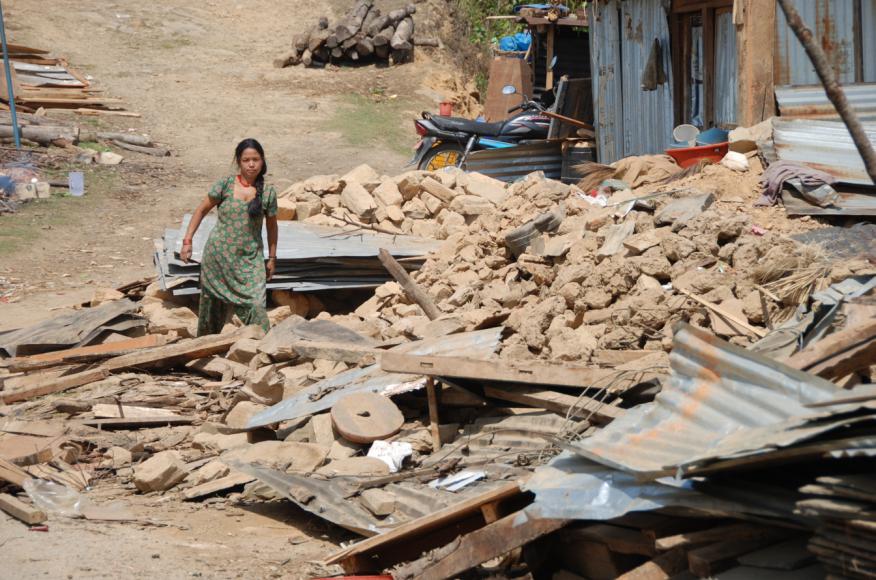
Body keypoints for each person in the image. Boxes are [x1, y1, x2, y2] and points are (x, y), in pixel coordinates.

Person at [180, 138, 278, 336]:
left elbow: (272, 227)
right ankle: (206, 345)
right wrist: (187, 241)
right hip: (218, 258)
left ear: (262, 161)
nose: (251, 164)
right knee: (211, 308)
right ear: (238, 162)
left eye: (256, 159)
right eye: (246, 160)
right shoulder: (224, 185)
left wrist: (272, 257)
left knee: (256, 305)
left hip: (250, 260)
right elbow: (200, 211)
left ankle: (262, 346)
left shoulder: (268, 193)